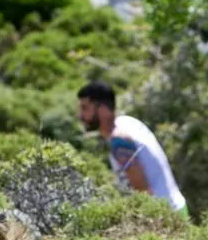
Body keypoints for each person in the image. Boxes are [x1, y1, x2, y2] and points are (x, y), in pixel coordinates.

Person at [76, 81, 187, 214]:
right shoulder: (127, 122)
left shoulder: (119, 140)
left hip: (167, 216)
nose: (80, 116)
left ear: (102, 109)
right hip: (176, 208)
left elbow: (144, 193)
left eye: (85, 108)